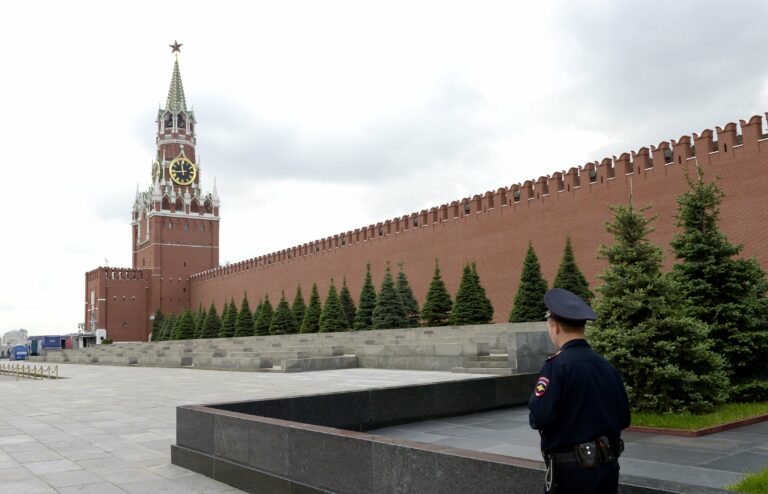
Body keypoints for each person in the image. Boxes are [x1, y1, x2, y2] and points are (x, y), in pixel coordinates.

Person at [529, 288, 631, 494]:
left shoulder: (556, 367)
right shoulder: (606, 366)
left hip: (572, 472)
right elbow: (624, 418)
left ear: (555, 326)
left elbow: (539, 417)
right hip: (607, 467)